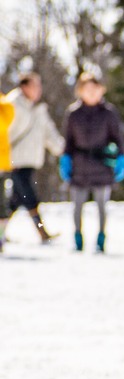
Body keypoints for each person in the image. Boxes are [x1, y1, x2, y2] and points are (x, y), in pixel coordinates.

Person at [60, 72, 124, 254]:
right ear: (80, 91)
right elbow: (68, 142)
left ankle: (101, 237)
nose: (91, 93)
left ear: (101, 90)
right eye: (86, 89)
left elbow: (118, 139)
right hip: (79, 166)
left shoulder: (109, 113)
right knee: (77, 205)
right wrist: (65, 160)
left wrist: (122, 157)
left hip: (101, 165)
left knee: (101, 205)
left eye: (94, 89)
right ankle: (77, 237)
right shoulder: (73, 114)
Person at [6, 72, 66, 243]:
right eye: (35, 85)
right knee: (30, 198)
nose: (39, 89)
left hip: (30, 160)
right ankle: (42, 232)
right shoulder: (12, 105)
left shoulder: (39, 110)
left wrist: (63, 150)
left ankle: (2, 231)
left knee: (15, 201)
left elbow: (49, 134)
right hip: (14, 161)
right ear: (24, 86)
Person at [0, 86, 14, 254]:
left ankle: (0, 238)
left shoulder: (5, 106)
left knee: (1, 203)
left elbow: (5, 124)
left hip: (1, 164)